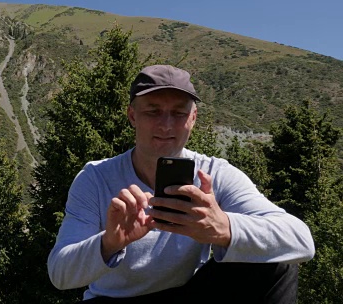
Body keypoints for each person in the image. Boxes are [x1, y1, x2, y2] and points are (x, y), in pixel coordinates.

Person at [47, 65, 315, 303]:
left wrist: (223, 228)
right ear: (132, 116)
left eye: (178, 113)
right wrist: (108, 244)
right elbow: (60, 273)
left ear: (193, 118)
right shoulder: (95, 178)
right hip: (111, 298)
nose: (166, 125)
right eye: (153, 112)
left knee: (277, 261)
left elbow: (301, 241)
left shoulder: (214, 173)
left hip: (186, 293)